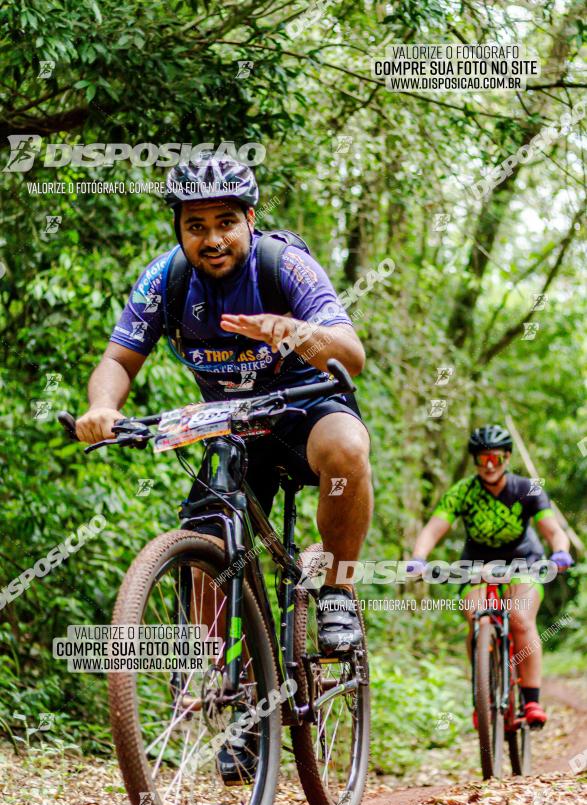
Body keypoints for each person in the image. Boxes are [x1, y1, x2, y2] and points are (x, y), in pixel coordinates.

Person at [76, 153, 372, 650]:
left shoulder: (285, 266)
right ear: (178, 228)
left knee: (347, 448)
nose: (212, 239)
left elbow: (351, 355)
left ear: (250, 220)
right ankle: (227, 679)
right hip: (231, 429)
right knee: (206, 551)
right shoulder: (165, 281)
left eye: (226, 223)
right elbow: (119, 361)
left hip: (305, 410)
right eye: (196, 226)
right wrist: (102, 408)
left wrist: (296, 331)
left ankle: (338, 587)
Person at [407, 425, 573, 728]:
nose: (489, 465)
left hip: (526, 561)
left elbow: (551, 529)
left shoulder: (527, 488)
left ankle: (532, 699)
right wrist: (418, 558)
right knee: (476, 621)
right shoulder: (463, 491)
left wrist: (560, 552)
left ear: (507, 457)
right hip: (477, 564)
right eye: (483, 458)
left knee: (521, 619)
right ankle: (483, 696)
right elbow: (434, 528)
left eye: (495, 458)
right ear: (474, 460)